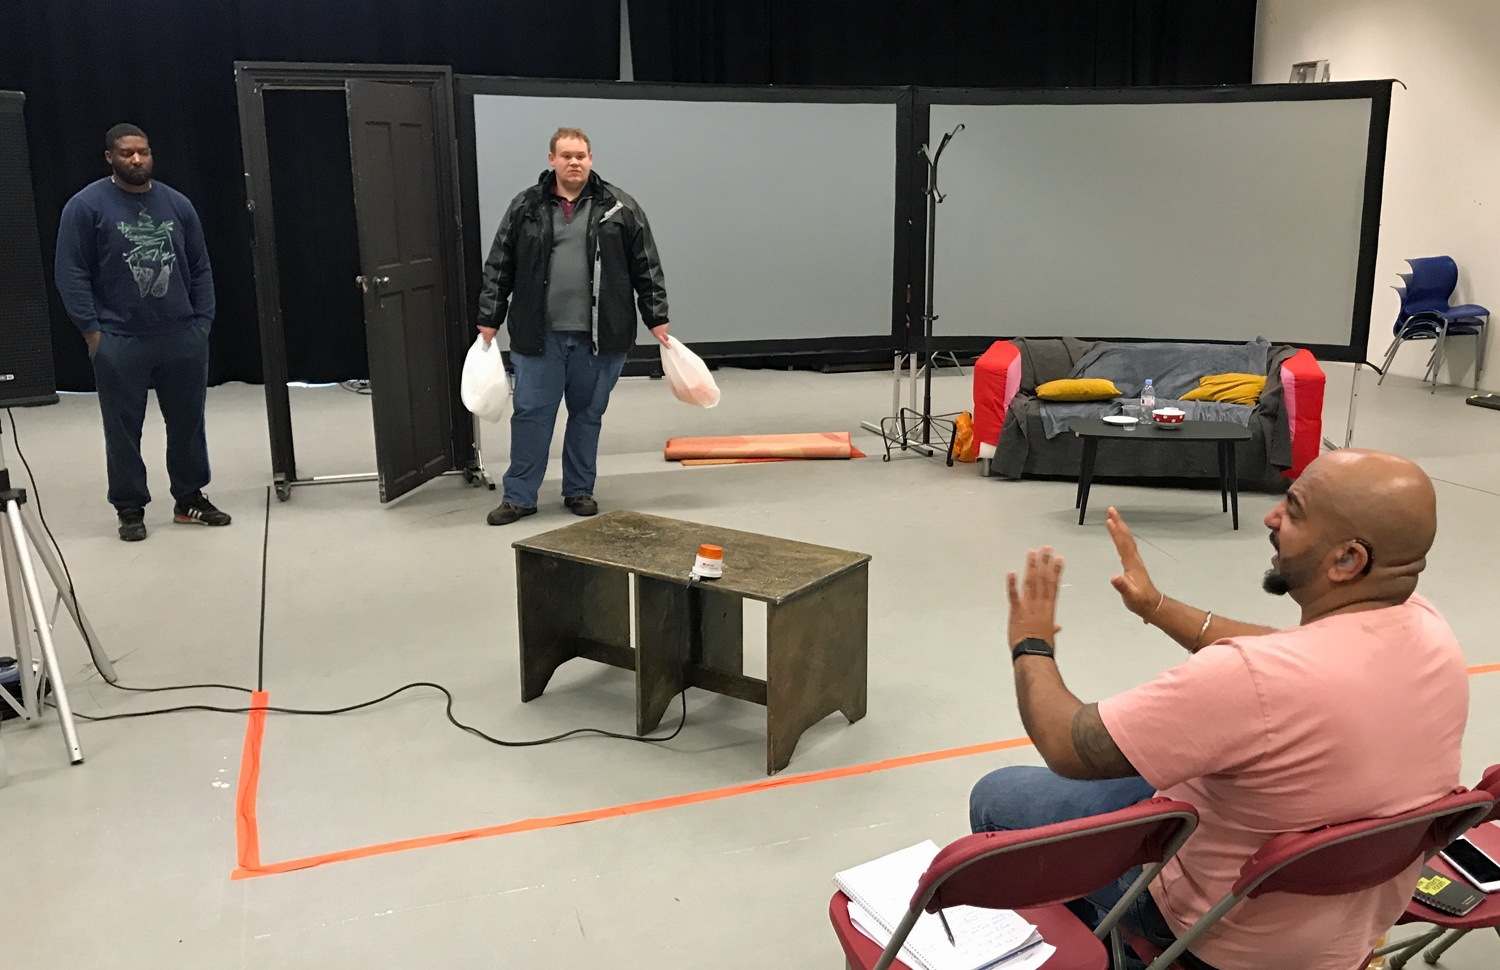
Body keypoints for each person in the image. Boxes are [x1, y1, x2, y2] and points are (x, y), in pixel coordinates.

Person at [970, 449, 1468, 970]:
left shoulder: (1250, 679)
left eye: (1294, 511)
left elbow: (1068, 743)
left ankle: (1110, 947)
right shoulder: (1428, 627)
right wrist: (1157, 607)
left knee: (996, 797)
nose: (1271, 517)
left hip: (1213, 932)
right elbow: (1288, 649)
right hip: (1343, 932)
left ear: (1347, 560)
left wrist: (1031, 642)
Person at [476, 127, 670, 526]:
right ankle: (519, 497)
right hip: (539, 337)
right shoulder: (525, 206)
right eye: (566, 156)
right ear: (552, 160)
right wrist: (489, 317)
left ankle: (579, 489)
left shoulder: (620, 207)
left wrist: (657, 317)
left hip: (600, 338)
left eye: (581, 155)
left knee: (587, 415)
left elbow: (646, 264)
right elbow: (500, 264)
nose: (574, 162)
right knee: (530, 415)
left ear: (591, 159)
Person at [55, 123, 230, 542]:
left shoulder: (177, 204)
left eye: (143, 152)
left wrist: (202, 322)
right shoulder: (86, 206)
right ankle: (129, 506)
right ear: (110, 158)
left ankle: (189, 498)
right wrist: (92, 331)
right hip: (119, 338)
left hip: (181, 334)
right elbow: (71, 272)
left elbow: (200, 266)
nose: (136, 159)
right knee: (122, 429)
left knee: (188, 423)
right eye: (126, 153)